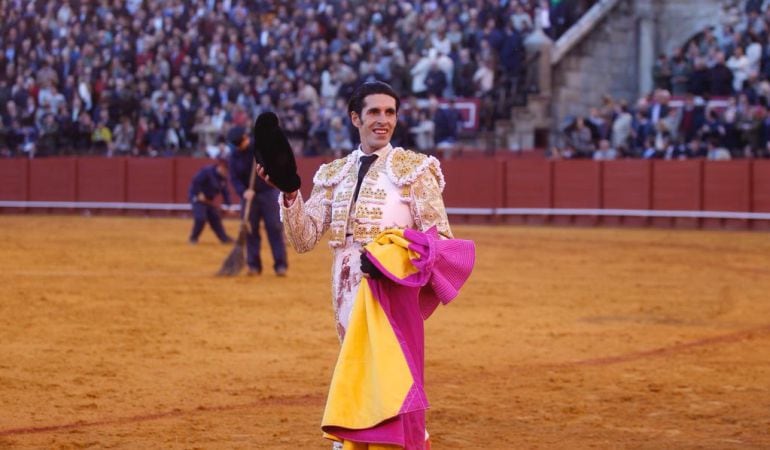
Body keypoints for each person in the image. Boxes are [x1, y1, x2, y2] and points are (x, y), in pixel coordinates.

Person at [256, 81, 473, 449]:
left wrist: (394, 260)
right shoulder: (334, 173)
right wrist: (290, 193)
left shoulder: (414, 171)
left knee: (392, 382)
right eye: (374, 112)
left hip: (391, 295)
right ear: (355, 118)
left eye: (390, 112)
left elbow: (443, 245)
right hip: (345, 293)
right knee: (356, 375)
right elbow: (305, 238)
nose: (383, 120)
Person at [227, 127, 288, 276]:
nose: (242, 145)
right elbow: (234, 178)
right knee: (250, 230)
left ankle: (280, 265)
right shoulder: (234, 156)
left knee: (274, 228)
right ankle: (253, 265)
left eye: (243, 142)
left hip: (268, 192)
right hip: (249, 197)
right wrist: (243, 191)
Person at [187, 158, 233, 245]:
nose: (226, 173)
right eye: (225, 170)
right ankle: (193, 238)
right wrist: (199, 193)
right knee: (201, 218)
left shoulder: (223, 178)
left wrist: (229, 206)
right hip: (197, 198)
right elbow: (195, 182)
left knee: (215, 218)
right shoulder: (207, 171)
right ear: (221, 167)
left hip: (208, 200)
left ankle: (224, 238)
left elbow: (225, 192)